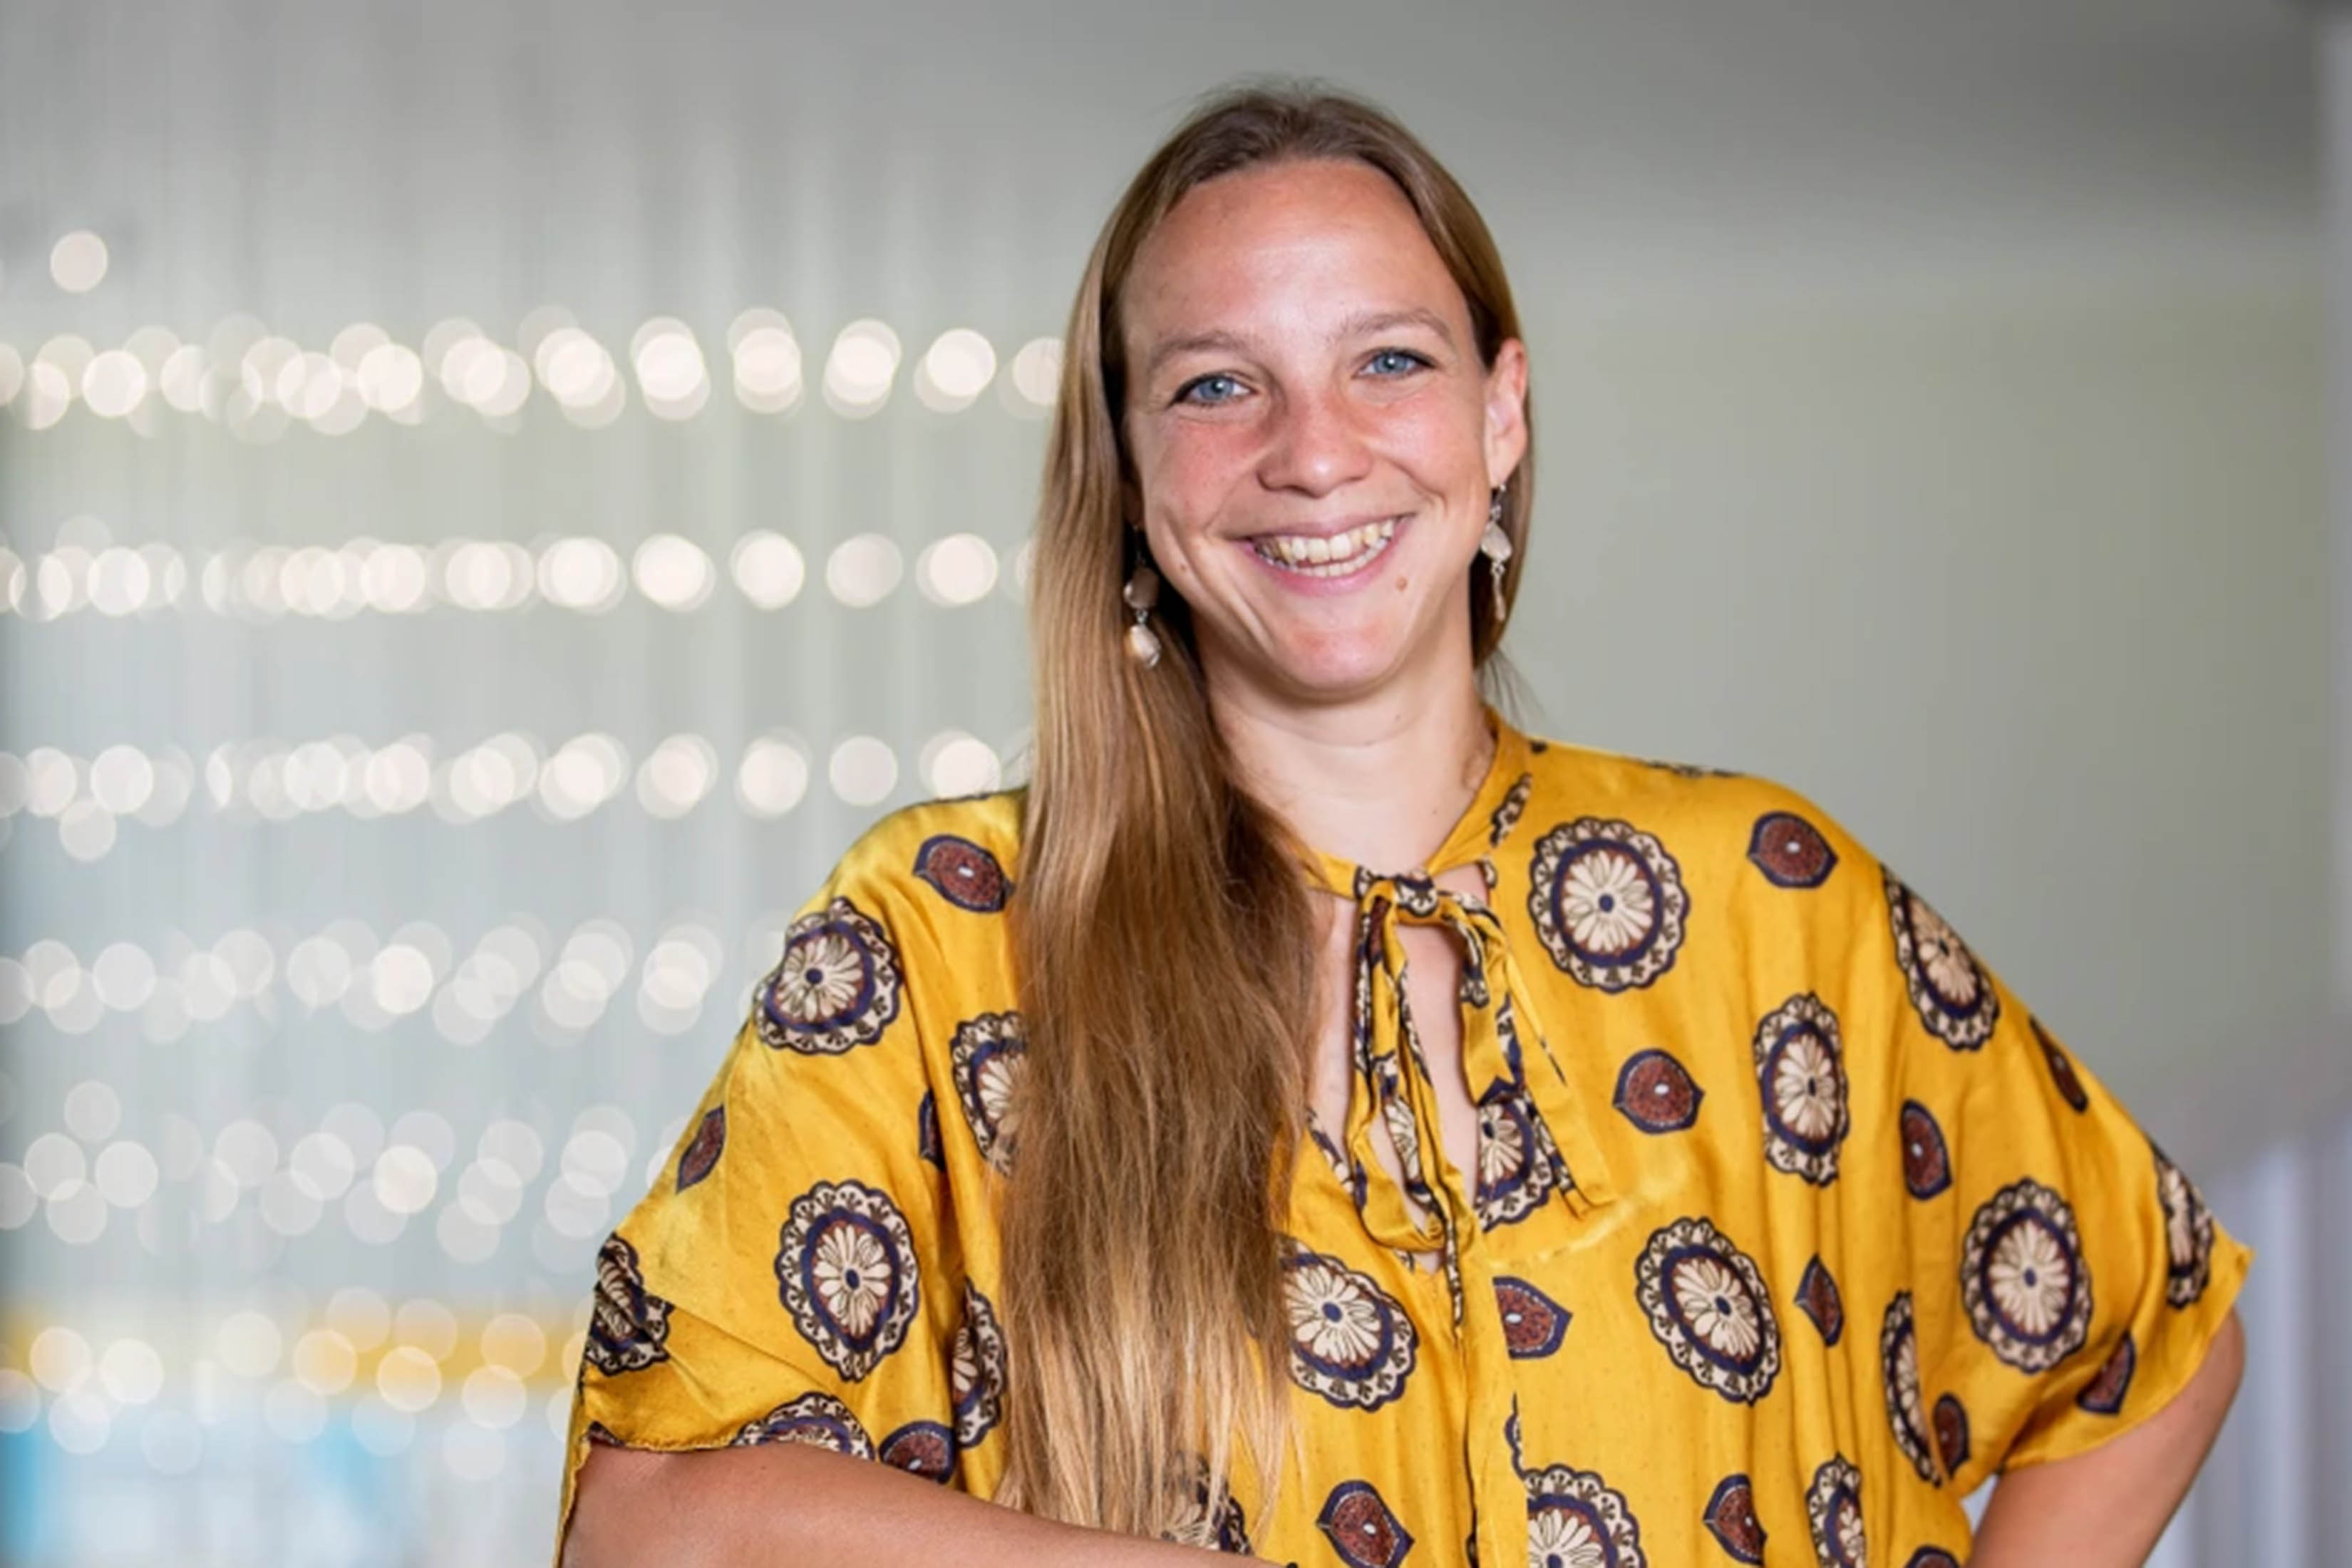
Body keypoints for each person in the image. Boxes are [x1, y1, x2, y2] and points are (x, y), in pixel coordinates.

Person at [558, 83, 2247, 1568]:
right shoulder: (954, 926)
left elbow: (2151, 1330)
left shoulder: (1767, 899)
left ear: (1499, 420)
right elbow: (654, 1525)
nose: (1316, 451)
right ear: (1133, 476)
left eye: (1389, 360)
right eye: (1221, 385)